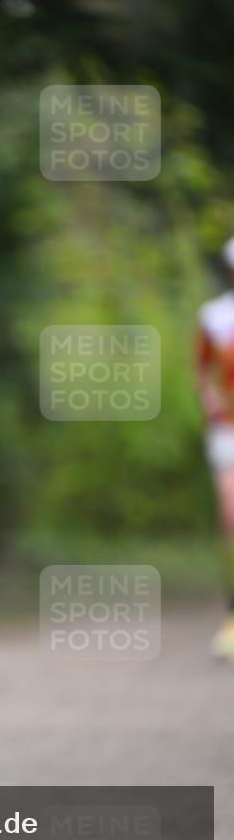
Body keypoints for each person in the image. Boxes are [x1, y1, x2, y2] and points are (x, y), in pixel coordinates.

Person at [195, 235, 234, 661]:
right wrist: (211, 402)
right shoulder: (215, 317)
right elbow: (202, 371)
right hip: (228, 429)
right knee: (230, 514)